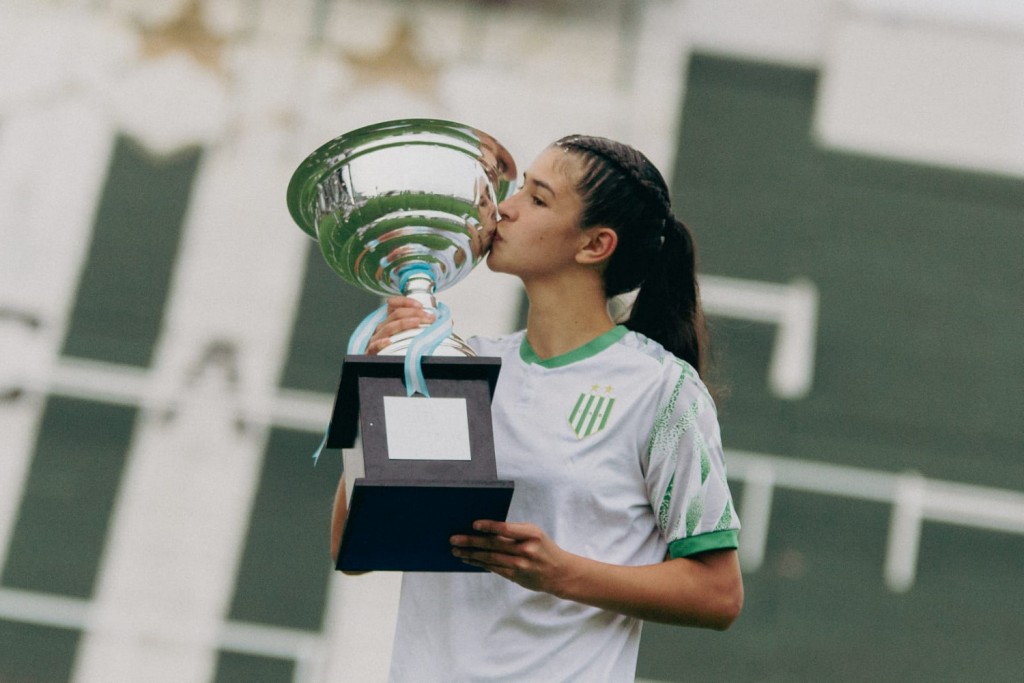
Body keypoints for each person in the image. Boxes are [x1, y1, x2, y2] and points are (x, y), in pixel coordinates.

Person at [331, 134, 744, 682]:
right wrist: (388, 377)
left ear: (595, 245)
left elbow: (718, 593)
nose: (506, 206)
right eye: (519, 186)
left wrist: (559, 573)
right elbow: (353, 551)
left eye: (538, 198)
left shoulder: (662, 392)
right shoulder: (456, 365)